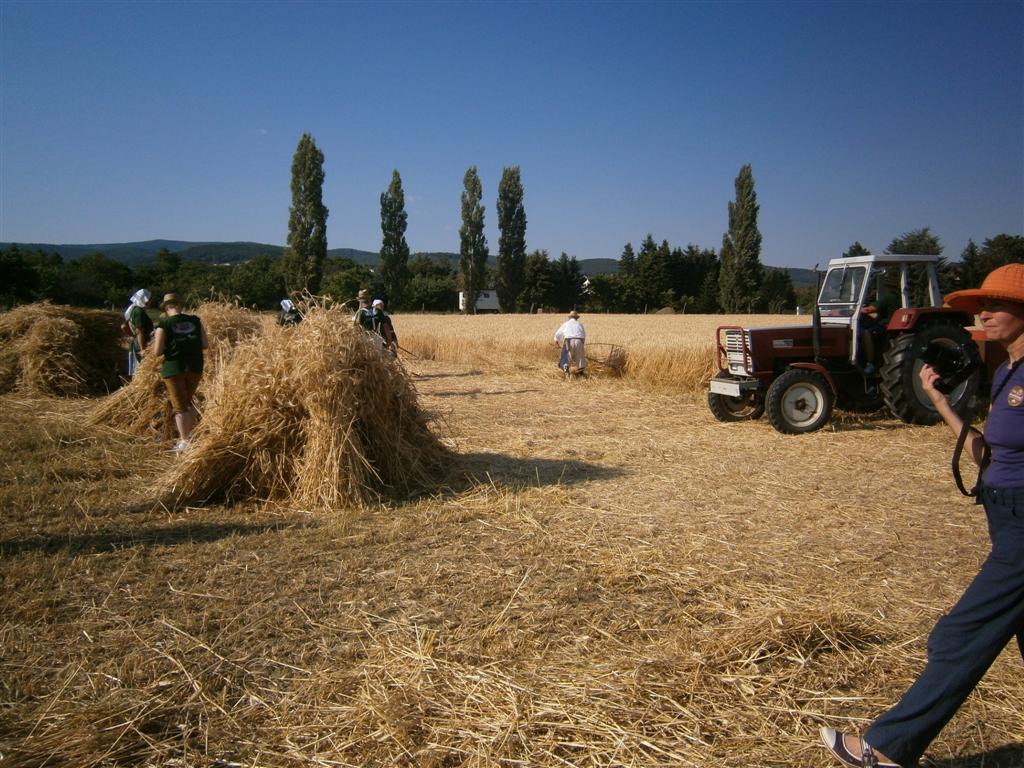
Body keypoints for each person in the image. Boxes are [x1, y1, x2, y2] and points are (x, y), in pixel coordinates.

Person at [820, 262, 1024, 768]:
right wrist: (940, 402)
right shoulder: (1007, 371)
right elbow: (987, 453)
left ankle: (889, 748)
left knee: (960, 635)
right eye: (981, 304)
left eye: (995, 305)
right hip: (1002, 514)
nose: (983, 314)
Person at [152, 293, 209, 453]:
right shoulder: (195, 321)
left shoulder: (164, 324)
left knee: (179, 407)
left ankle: (185, 442)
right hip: (195, 367)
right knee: (188, 402)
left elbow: (157, 351)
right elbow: (205, 344)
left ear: (166, 307)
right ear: (180, 305)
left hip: (174, 368)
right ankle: (192, 437)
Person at [123, 288, 154, 377]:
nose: (150, 301)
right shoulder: (139, 312)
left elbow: (123, 326)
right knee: (141, 369)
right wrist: (143, 349)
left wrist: (133, 336)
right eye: (149, 299)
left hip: (137, 342)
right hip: (141, 343)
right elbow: (140, 331)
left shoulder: (133, 310)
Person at [553, 310, 586, 376]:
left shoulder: (566, 324)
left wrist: (556, 341)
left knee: (566, 356)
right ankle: (580, 372)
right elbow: (584, 335)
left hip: (569, 341)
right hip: (579, 341)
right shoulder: (580, 324)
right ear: (576, 318)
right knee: (580, 357)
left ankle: (566, 370)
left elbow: (558, 334)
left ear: (570, 317)